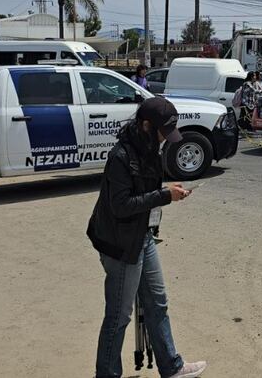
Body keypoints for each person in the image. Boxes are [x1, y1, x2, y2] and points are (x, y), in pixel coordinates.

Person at [87, 97, 207, 378]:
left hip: (142, 235)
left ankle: (172, 366)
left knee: (157, 302)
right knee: (119, 316)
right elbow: (121, 205)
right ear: (145, 125)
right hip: (120, 244)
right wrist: (164, 195)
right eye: (163, 132)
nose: (167, 139)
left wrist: (165, 190)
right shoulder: (121, 156)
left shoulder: (150, 148)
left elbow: (144, 193)